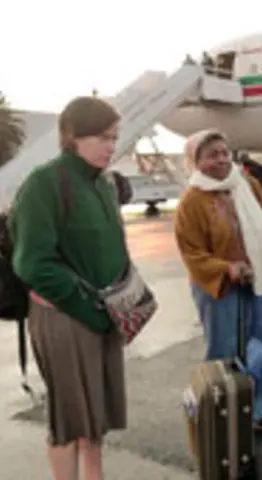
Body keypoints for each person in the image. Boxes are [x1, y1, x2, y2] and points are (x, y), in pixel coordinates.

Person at [9, 96, 128, 480]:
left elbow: (111, 247)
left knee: (97, 417)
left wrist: (127, 295)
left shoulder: (105, 184)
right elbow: (32, 263)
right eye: (102, 138)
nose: (111, 146)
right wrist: (88, 309)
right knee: (69, 419)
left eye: (114, 137)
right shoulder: (44, 184)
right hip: (63, 314)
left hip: (105, 313)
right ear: (73, 137)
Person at [175, 129, 262, 435]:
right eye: (212, 155)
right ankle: (222, 413)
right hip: (217, 286)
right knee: (224, 352)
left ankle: (256, 409)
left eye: (225, 152)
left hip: (255, 278)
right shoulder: (192, 201)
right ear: (196, 162)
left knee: (257, 347)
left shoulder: (246, 184)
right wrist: (226, 268)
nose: (222, 160)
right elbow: (192, 252)